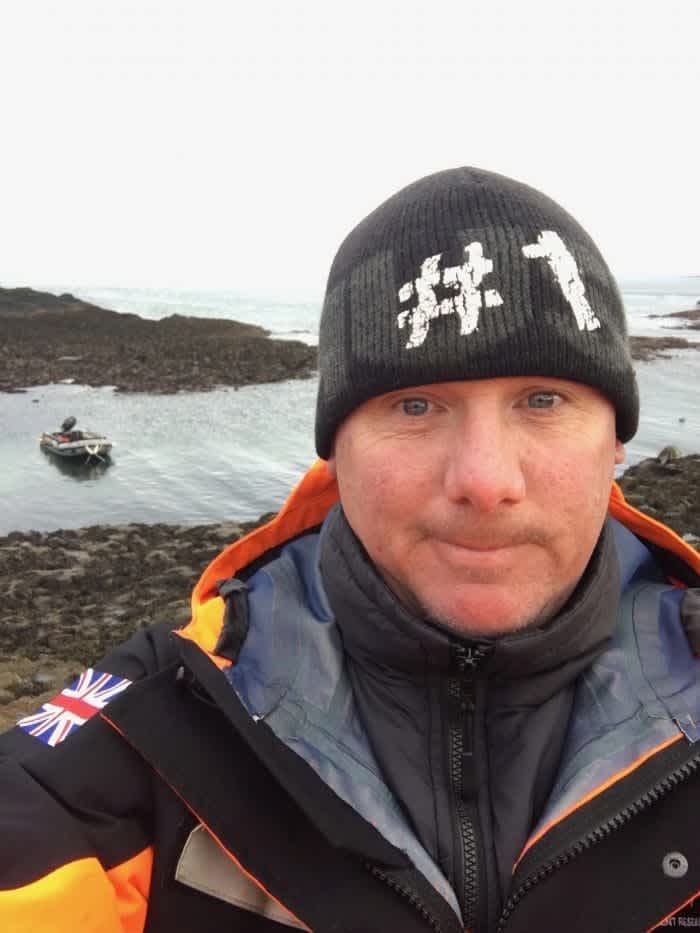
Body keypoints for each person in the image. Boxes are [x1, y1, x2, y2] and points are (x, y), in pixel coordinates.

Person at [1, 167, 699, 933]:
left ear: (617, 440)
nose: (485, 480)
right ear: (335, 450)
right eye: (415, 404)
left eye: (542, 400)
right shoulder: (160, 725)